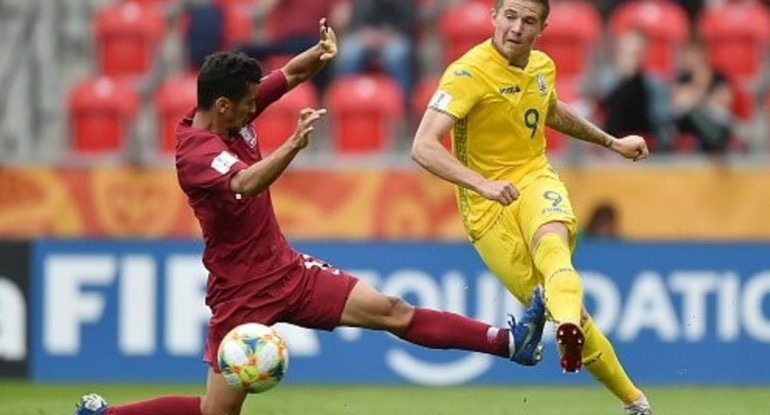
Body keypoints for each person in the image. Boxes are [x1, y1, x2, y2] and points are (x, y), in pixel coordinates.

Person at [74, 18, 547, 415]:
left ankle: (508, 343)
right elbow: (244, 184)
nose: (253, 107)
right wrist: (293, 145)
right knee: (213, 413)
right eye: (246, 102)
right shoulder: (196, 153)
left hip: (287, 271)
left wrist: (320, 53)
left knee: (392, 310)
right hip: (240, 294)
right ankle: (107, 414)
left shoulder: (230, 111)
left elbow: (287, 77)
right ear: (222, 106)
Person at [410, 1, 653, 414]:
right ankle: (631, 397)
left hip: (533, 177)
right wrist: (481, 183)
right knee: (559, 292)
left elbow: (550, 110)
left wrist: (611, 142)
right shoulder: (468, 72)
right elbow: (422, 146)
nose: (516, 28)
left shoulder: (542, 66)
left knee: (553, 245)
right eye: (510, 16)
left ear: (542, 27)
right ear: (494, 17)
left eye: (527, 21)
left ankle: (571, 332)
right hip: (486, 209)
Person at [671, 41, 733, 153]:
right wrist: (707, 97)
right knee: (692, 114)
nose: (692, 59)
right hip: (689, 125)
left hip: (715, 123)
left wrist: (694, 96)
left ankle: (712, 142)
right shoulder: (683, 78)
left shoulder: (719, 76)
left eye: (695, 55)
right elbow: (679, 103)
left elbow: (726, 101)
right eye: (689, 55)